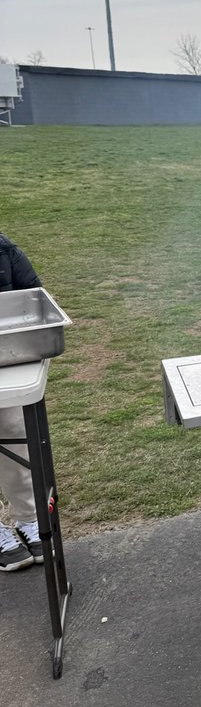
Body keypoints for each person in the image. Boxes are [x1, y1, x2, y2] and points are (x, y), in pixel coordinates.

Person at [0, 232, 46, 571]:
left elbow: (34, 297)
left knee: (14, 434)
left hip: (4, 363)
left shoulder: (4, 249)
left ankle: (28, 519)